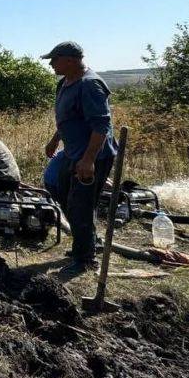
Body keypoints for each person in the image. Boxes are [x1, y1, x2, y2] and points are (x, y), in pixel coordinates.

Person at [41, 41, 117, 273]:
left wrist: (89, 160)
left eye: (55, 59)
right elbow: (69, 118)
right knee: (58, 189)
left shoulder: (90, 85)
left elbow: (101, 126)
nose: (51, 64)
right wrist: (55, 139)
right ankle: (88, 241)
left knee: (81, 204)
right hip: (72, 153)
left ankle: (84, 259)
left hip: (92, 156)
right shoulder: (64, 83)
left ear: (71, 60)